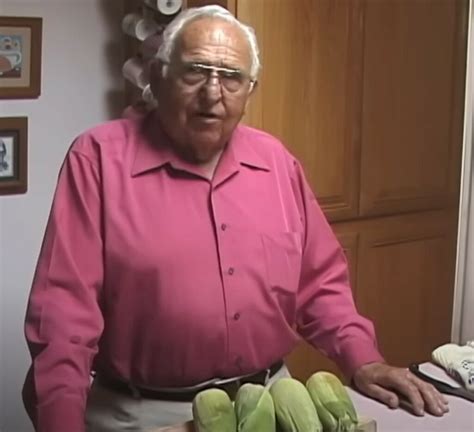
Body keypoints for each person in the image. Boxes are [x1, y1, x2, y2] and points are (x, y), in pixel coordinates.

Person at [22, 5, 449, 432]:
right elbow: (63, 317)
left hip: (268, 402)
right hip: (144, 415)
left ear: (250, 89)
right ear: (157, 75)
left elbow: (320, 286)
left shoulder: (276, 162)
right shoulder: (97, 159)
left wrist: (364, 359)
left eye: (231, 77)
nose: (213, 93)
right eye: (196, 71)